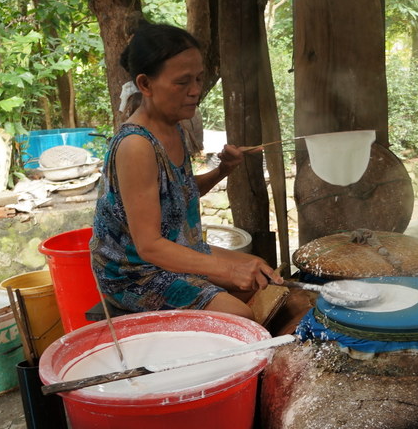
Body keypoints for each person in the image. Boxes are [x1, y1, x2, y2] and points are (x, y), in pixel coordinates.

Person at [90, 22, 280, 321]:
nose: (195, 91)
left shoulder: (173, 126)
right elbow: (149, 246)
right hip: (135, 273)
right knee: (239, 315)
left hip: (175, 251)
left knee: (265, 276)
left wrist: (224, 169)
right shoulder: (136, 145)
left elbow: (179, 192)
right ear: (145, 85)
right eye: (182, 82)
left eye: (198, 79)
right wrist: (227, 269)